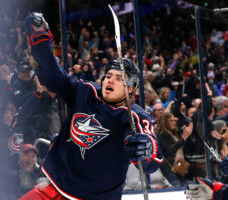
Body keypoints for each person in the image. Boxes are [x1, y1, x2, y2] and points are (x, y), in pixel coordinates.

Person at [20, 12, 163, 200]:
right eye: (109, 75)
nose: (110, 80)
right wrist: (40, 41)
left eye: (119, 78)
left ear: (131, 89)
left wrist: (145, 149)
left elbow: (150, 153)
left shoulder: (134, 116)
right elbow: (56, 78)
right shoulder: (87, 91)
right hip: (56, 189)